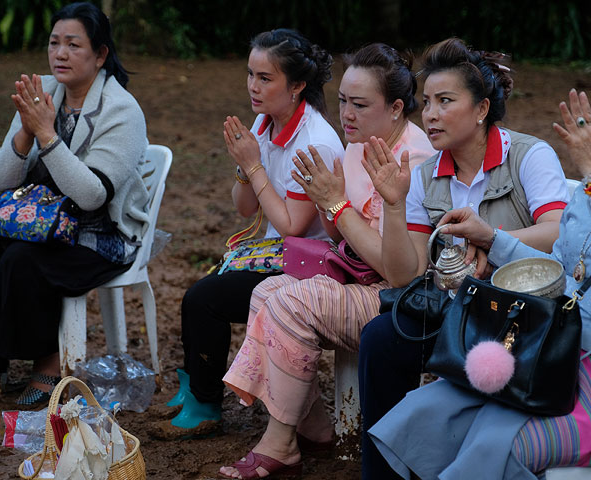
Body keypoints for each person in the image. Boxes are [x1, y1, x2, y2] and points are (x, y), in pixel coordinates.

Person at [219, 43, 436, 479]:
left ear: (396, 108)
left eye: (359, 104)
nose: (346, 115)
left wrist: (335, 206)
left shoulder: (416, 158)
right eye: (342, 101)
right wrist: (326, 200)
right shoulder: (357, 148)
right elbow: (341, 234)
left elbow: (398, 271)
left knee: (290, 303)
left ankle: (280, 446)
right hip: (359, 278)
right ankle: (314, 426)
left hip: (399, 297)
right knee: (266, 291)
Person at [358, 37, 570, 478]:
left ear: (481, 109)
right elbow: (406, 273)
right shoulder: (423, 175)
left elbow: (559, 236)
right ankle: (381, 473)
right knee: (380, 338)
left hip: (523, 319)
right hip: (457, 313)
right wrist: (394, 207)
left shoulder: (528, 156)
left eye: (445, 101)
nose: (430, 114)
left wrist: (491, 236)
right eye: (428, 102)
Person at [0, 2, 149, 405]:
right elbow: (1, 180)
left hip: (99, 232)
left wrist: (46, 135)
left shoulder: (122, 111)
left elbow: (94, 194)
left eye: (74, 45)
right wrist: (24, 133)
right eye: (54, 42)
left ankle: (49, 361)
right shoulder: (42, 90)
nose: (60, 54)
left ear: (101, 54)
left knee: (21, 261)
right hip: (33, 219)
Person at [154, 29, 345, 439]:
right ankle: (195, 386)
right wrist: (244, 166)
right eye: (250, 74)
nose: (253, 87)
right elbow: (245, 207)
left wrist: (253, 165)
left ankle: (205, 404)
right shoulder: (265, 123)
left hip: (312, 264)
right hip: (280, 251)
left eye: (265, 78)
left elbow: (293, 224)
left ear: (297, 86)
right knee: (204, 291)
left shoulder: (313, 143)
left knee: (203, 300)